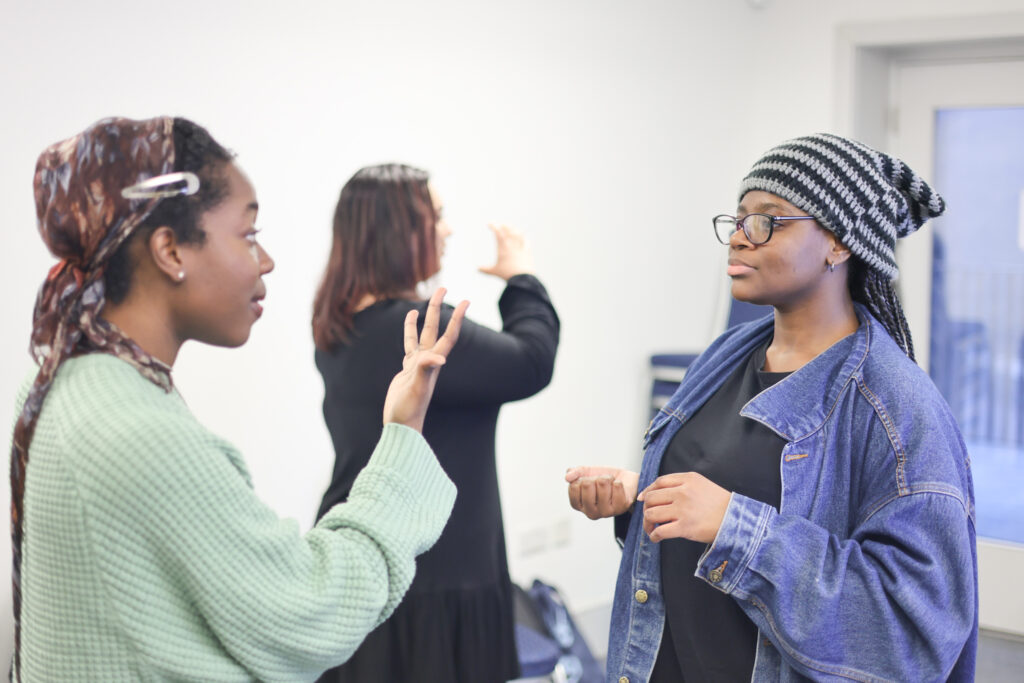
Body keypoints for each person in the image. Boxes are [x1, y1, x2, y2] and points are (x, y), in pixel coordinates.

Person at [9, 116, 468, 681]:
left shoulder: (66, 378)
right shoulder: (139, 432)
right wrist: (401, 436)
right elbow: (315, 610)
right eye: (248, 235)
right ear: (170, 251)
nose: (266, 260)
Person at [565, 134, 977, 682]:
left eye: (767, 220)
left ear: (838, 243)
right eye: (736, 220)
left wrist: (736, 527)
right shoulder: (724, 356)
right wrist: (637, 499)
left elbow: (910, 631)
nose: (738, 238)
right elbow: (708, 503)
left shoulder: (896, 410)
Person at [311, 163, 560, 683]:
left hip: (367, 557)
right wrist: (522, 278)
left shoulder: (336, 325)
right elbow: (533, 360)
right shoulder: (425, 331)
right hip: (441, 573)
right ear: (397, 230)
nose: (446, 230)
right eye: (437, 217)